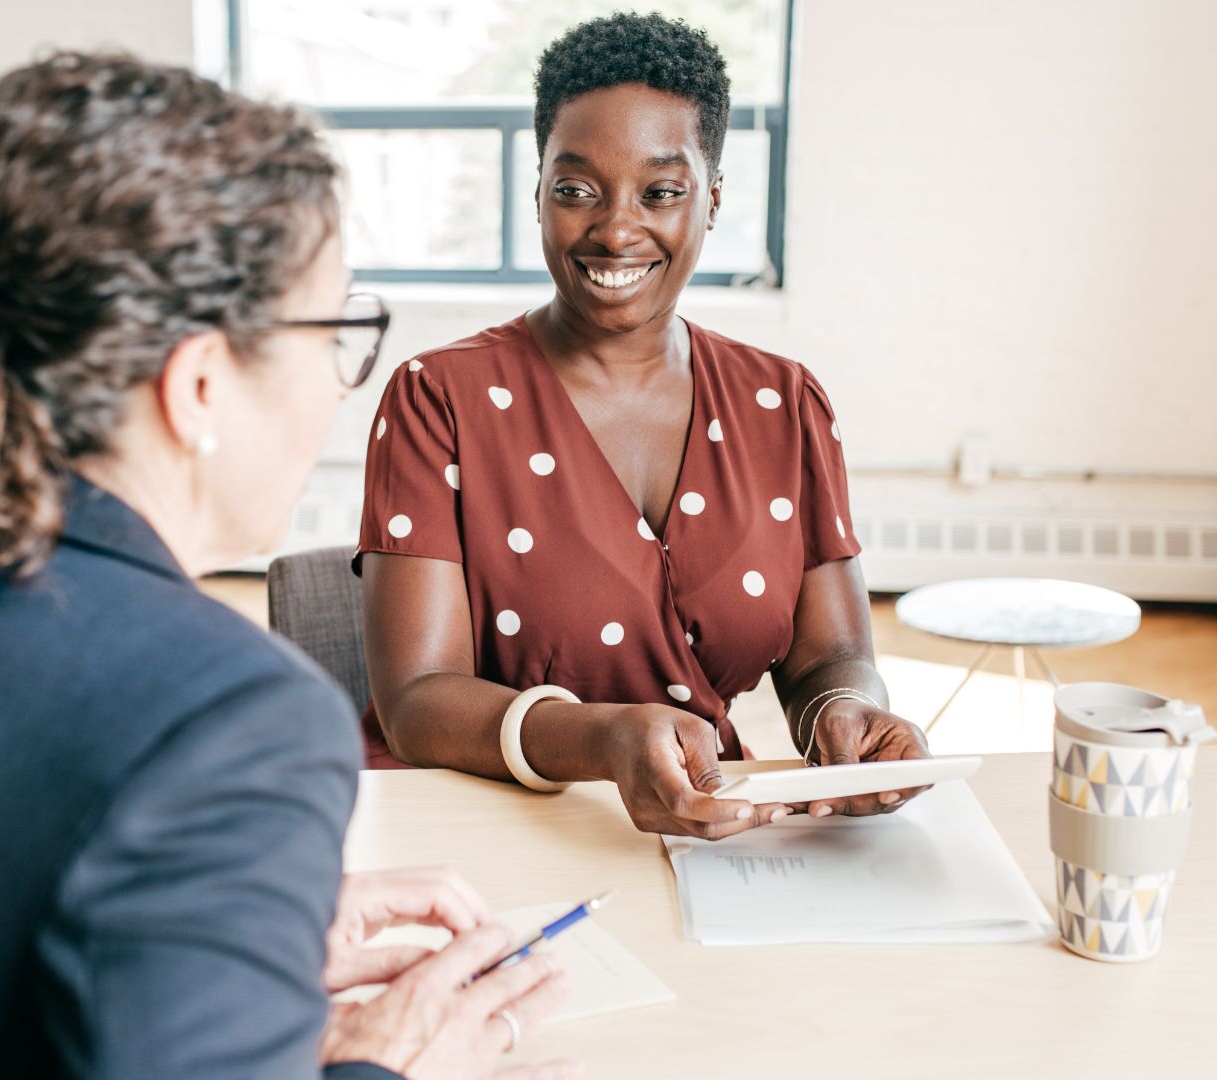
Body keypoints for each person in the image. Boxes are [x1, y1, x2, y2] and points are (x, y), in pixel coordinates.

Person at [0, 52, 573, 1080]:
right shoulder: (237, 716)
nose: (343, 387)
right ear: (200, 383)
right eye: (337, 331)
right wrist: (378, 1065)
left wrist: (212, 926)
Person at [356, 14, 931, 838]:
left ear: (713, 195)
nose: (616, 230)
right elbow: (414, 701)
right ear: (539, 191)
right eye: (576, 189)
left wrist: (846, 715)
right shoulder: (439, 397)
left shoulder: (787, 403)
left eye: (660, 191)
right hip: (482, 826)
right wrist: (604, 739)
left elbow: (827, 661)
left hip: (699, 821)